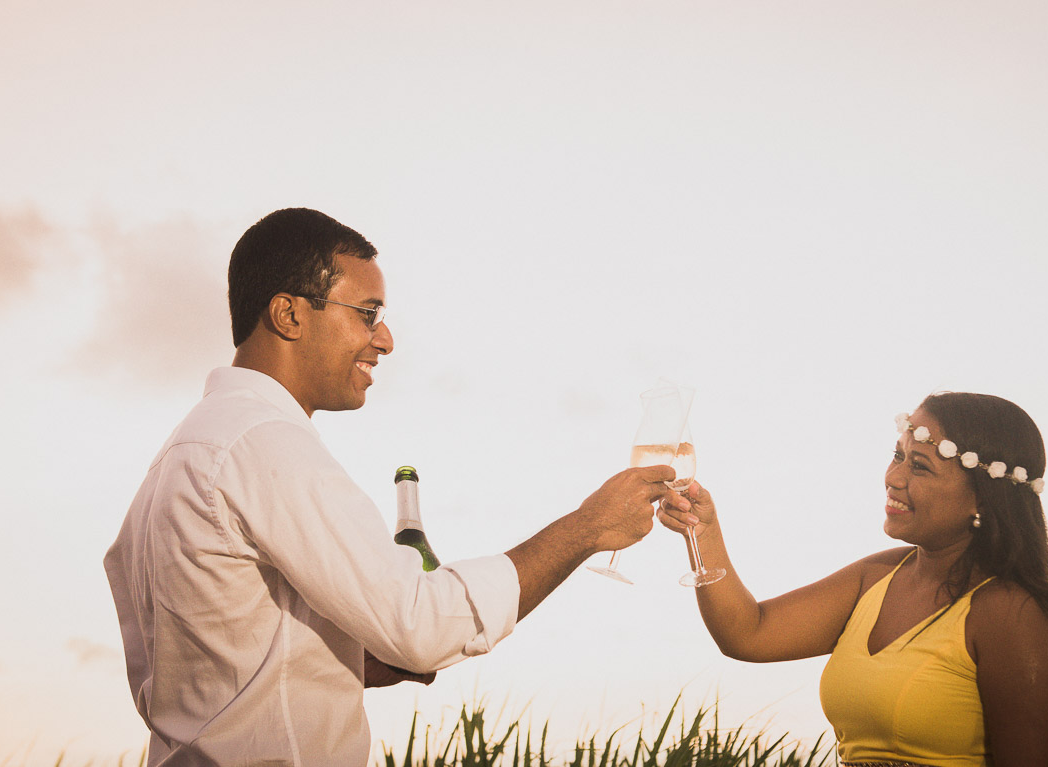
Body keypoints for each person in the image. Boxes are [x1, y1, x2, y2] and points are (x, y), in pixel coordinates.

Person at [103, 207, 689, 767]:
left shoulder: (184, 453)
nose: (384, 340)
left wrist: (355, 656)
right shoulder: (263, 443)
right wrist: (587, 528)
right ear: (289, 315)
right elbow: (421, 624)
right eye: (367, 313)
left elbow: (220, 661)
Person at [657, 392, 1048, 767]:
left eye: (919, 467)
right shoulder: (877, 577)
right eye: (898, 455)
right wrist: (704, 531)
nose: (893, 477)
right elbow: (746, 633)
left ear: (982, 495)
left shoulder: (1011, 615)